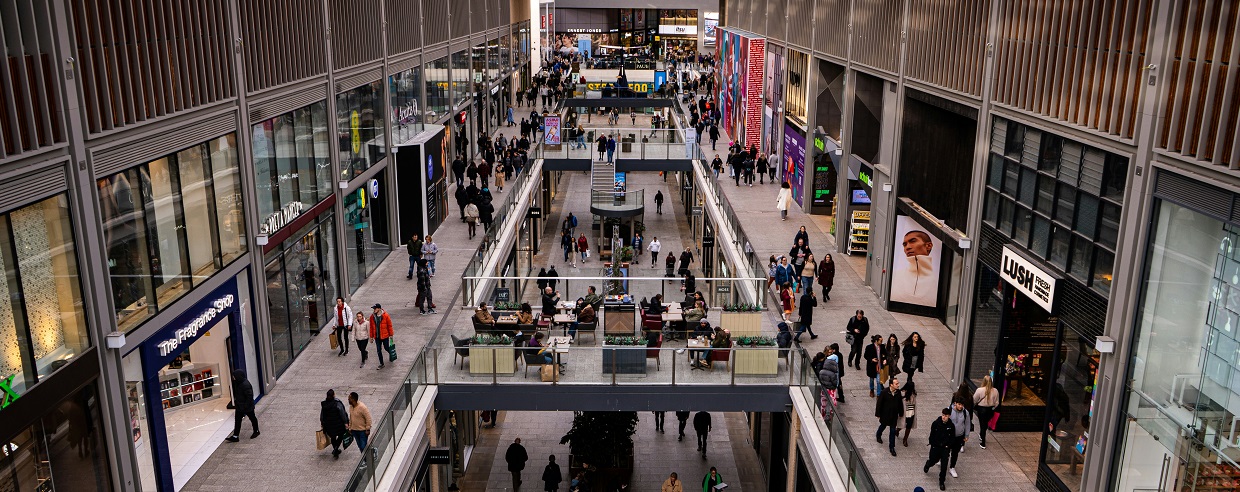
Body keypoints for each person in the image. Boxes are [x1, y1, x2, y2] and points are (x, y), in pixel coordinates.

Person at [890, 229, 938, 306]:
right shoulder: (894, 277)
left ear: (928, 246)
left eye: (913, 241)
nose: (907, 247)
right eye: (904, 244)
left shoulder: (939, 281)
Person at [924, 408, 957, 491]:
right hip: (936, 447)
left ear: (949, 416)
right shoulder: (936, 423)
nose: (944, 417)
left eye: (945, 416)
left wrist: (948, 446)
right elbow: (932, 434)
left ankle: (942, 482)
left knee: (944, 466)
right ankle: (928, 464)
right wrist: (932, 443)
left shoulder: (951, 426)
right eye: (943, 415)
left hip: (945, 448)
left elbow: (952, 437)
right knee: (933, 460)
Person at [224, 370, 258, 442]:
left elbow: (249, 396)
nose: (233, 377)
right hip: (240, 406)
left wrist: (245, 406)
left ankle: (256, 431)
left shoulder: (245, 385)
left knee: (252, 418)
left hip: (247, 406)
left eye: (234, 376)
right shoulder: (238, 383)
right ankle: (235, 436)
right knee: (237, 420)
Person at [874, 377, 904, 456]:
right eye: (896, 383)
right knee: (883, 426)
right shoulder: (884, 392)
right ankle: (878, 435)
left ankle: (892, 447)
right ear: (891, 385)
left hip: (894, 416)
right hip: (885, 415)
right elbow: (879, 404)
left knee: (893, 431)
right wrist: (878, 414)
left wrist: (901, 413)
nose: (898, 385)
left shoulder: (898, 393)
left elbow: (900, 403)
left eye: (898, 383)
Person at [320, 389, 350, 459]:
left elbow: (322, 415)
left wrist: (322, 423)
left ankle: (335, 449)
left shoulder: (324, 404)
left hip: (329, 425)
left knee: (333, 437)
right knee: (341, 436)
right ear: (333, 395)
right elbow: (342, 413)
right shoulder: (337, 403)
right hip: (338, 424)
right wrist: (346, 422)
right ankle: (336, 449)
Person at [947, 400, 971, 479]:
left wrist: (966, 435)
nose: (961, 406)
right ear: (955, 403)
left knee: (955, 453)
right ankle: (942, 459)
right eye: (959, 404)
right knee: (946, 451)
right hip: (949, 436)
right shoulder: (949, 410)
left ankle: (952, 467)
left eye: (962, 405)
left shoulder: (965, 412)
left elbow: (967, 424)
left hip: (959, 436)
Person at [973, 375, 999, 449]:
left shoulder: (979, 390)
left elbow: (974, 400)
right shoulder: (995, 391)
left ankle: (983, 442)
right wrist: (993, 407)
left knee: (982, 424)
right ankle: (981, 434)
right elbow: (997, 403)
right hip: (990, 410)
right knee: (984, 424)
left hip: (981, 410)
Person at [370, 304, 394, 370]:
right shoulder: (372, 317)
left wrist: (391, 335)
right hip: (377, 337)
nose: (374, 310)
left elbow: (389, 325)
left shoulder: (385, 315)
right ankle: (381, 363)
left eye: (375, 308)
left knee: (386, 348)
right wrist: (371, 337)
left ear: (379, 309)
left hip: (385, 336)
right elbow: (371, 327)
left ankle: (391, 354)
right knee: (378, 350)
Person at [901, 380, 918, 447]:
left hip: (911, 413)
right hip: (904, 412)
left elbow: (914, 403)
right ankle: (897, 430)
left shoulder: (913, 393)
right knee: (902, 424)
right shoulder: (902, 393)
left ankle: (905, 439)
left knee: (909, 426)